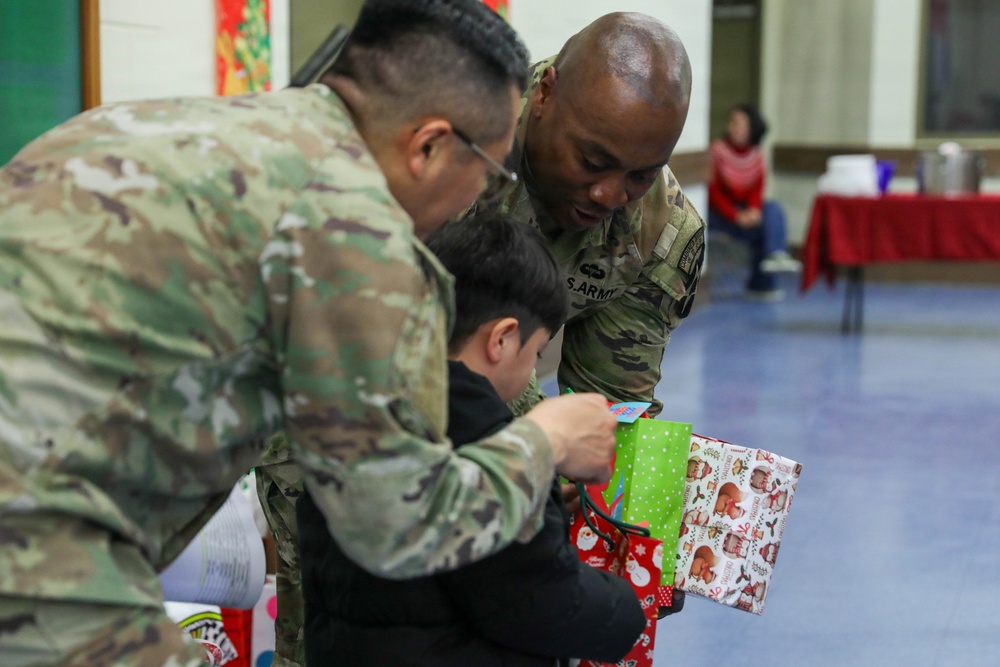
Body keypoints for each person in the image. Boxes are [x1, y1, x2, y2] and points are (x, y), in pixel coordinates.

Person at [0, 0, 618, 664]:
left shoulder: (152, 123)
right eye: (490, 173)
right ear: (431, 144)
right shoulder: (353, 227)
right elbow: (395, 524)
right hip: (38, 544)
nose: (476, 201)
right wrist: (545, 439)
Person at [298, 214, 646, 667]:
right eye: (536, 353)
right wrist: (627, 603)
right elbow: (545, 608)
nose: (531, 371)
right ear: (501, 339)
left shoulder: (356, 411)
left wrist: (544, 501)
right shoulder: (484, 433)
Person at [472, 12, 706, 420]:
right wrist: (541, 441)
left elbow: (612, 404)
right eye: (592, 160)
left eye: (641, 174)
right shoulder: (461, 141)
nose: (609, 196)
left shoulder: (662, 231)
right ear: (545, 95)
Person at [708, 103, 801, 301]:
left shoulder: (757, 156)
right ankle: (765, 276)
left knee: (772, 210)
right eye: (731, 122)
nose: (732, 127)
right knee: (763, 228)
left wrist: (754, 210)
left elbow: (757, 189)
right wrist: (736, 215)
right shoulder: (717, 151)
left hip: (744, 211)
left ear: (752, 129)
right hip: (719, 214)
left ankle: (773, 262)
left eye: (738, 123)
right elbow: (713, 192)